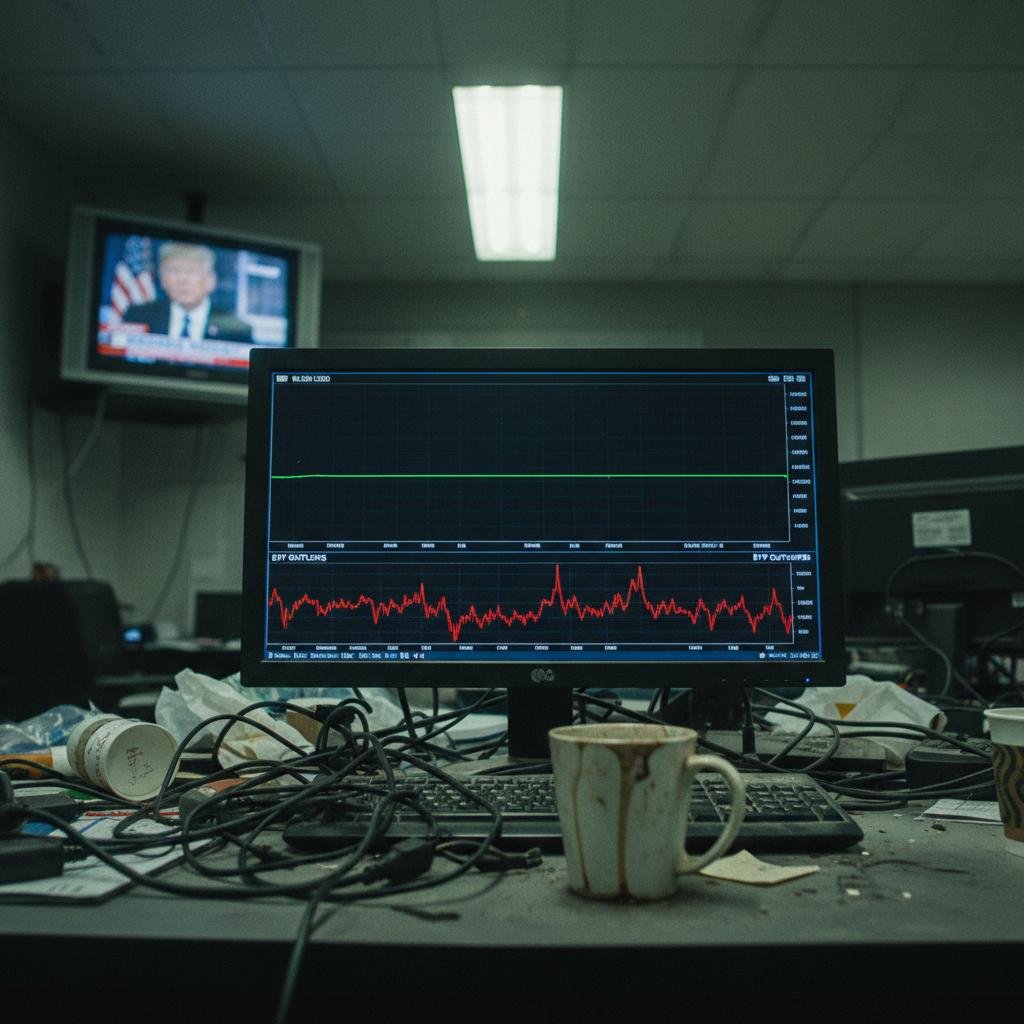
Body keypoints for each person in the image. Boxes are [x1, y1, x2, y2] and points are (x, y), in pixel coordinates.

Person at [122, 241, 252, 343]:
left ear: (210, 281)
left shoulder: (237, 329)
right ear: (162, 280)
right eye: (174, 271)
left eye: (192, 272)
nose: (183, 280)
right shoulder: (137, 316)